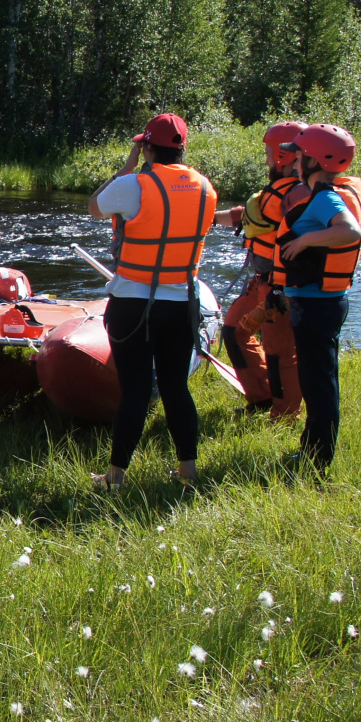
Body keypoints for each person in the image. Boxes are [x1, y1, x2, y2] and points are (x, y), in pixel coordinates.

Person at [87, 112, 216, 490]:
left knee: (136, 391)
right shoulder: (205, 187)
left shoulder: (133, 185)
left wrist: (126, 168)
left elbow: (94, 207)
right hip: (181, 303)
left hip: (133, 304)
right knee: (176, 388)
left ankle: (115, 477)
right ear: (182, 148)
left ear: (146, 147)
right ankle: (188, 472)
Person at [272, 124, 361, 472]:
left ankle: (317, 459)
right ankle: (312, 448)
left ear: (313, 161)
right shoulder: (343, 194)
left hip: (316, 304)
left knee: (317, 383)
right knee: (319, 379)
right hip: (329, 300)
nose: (294, 162)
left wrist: (305, 241)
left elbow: (352, 231)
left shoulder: (326, 198)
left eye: (299, 156)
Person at [214, 121, 303, 418]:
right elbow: (250, 216)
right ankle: (262, 399)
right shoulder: (279, 191)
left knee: (280, 353)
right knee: (233, 330)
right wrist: (206, 218)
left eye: (268, 153)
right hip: (262, 282)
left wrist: (281, 289)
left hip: (280, 286)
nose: (266, 160)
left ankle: (285, 417)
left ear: (283, 156)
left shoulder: (298, 194)